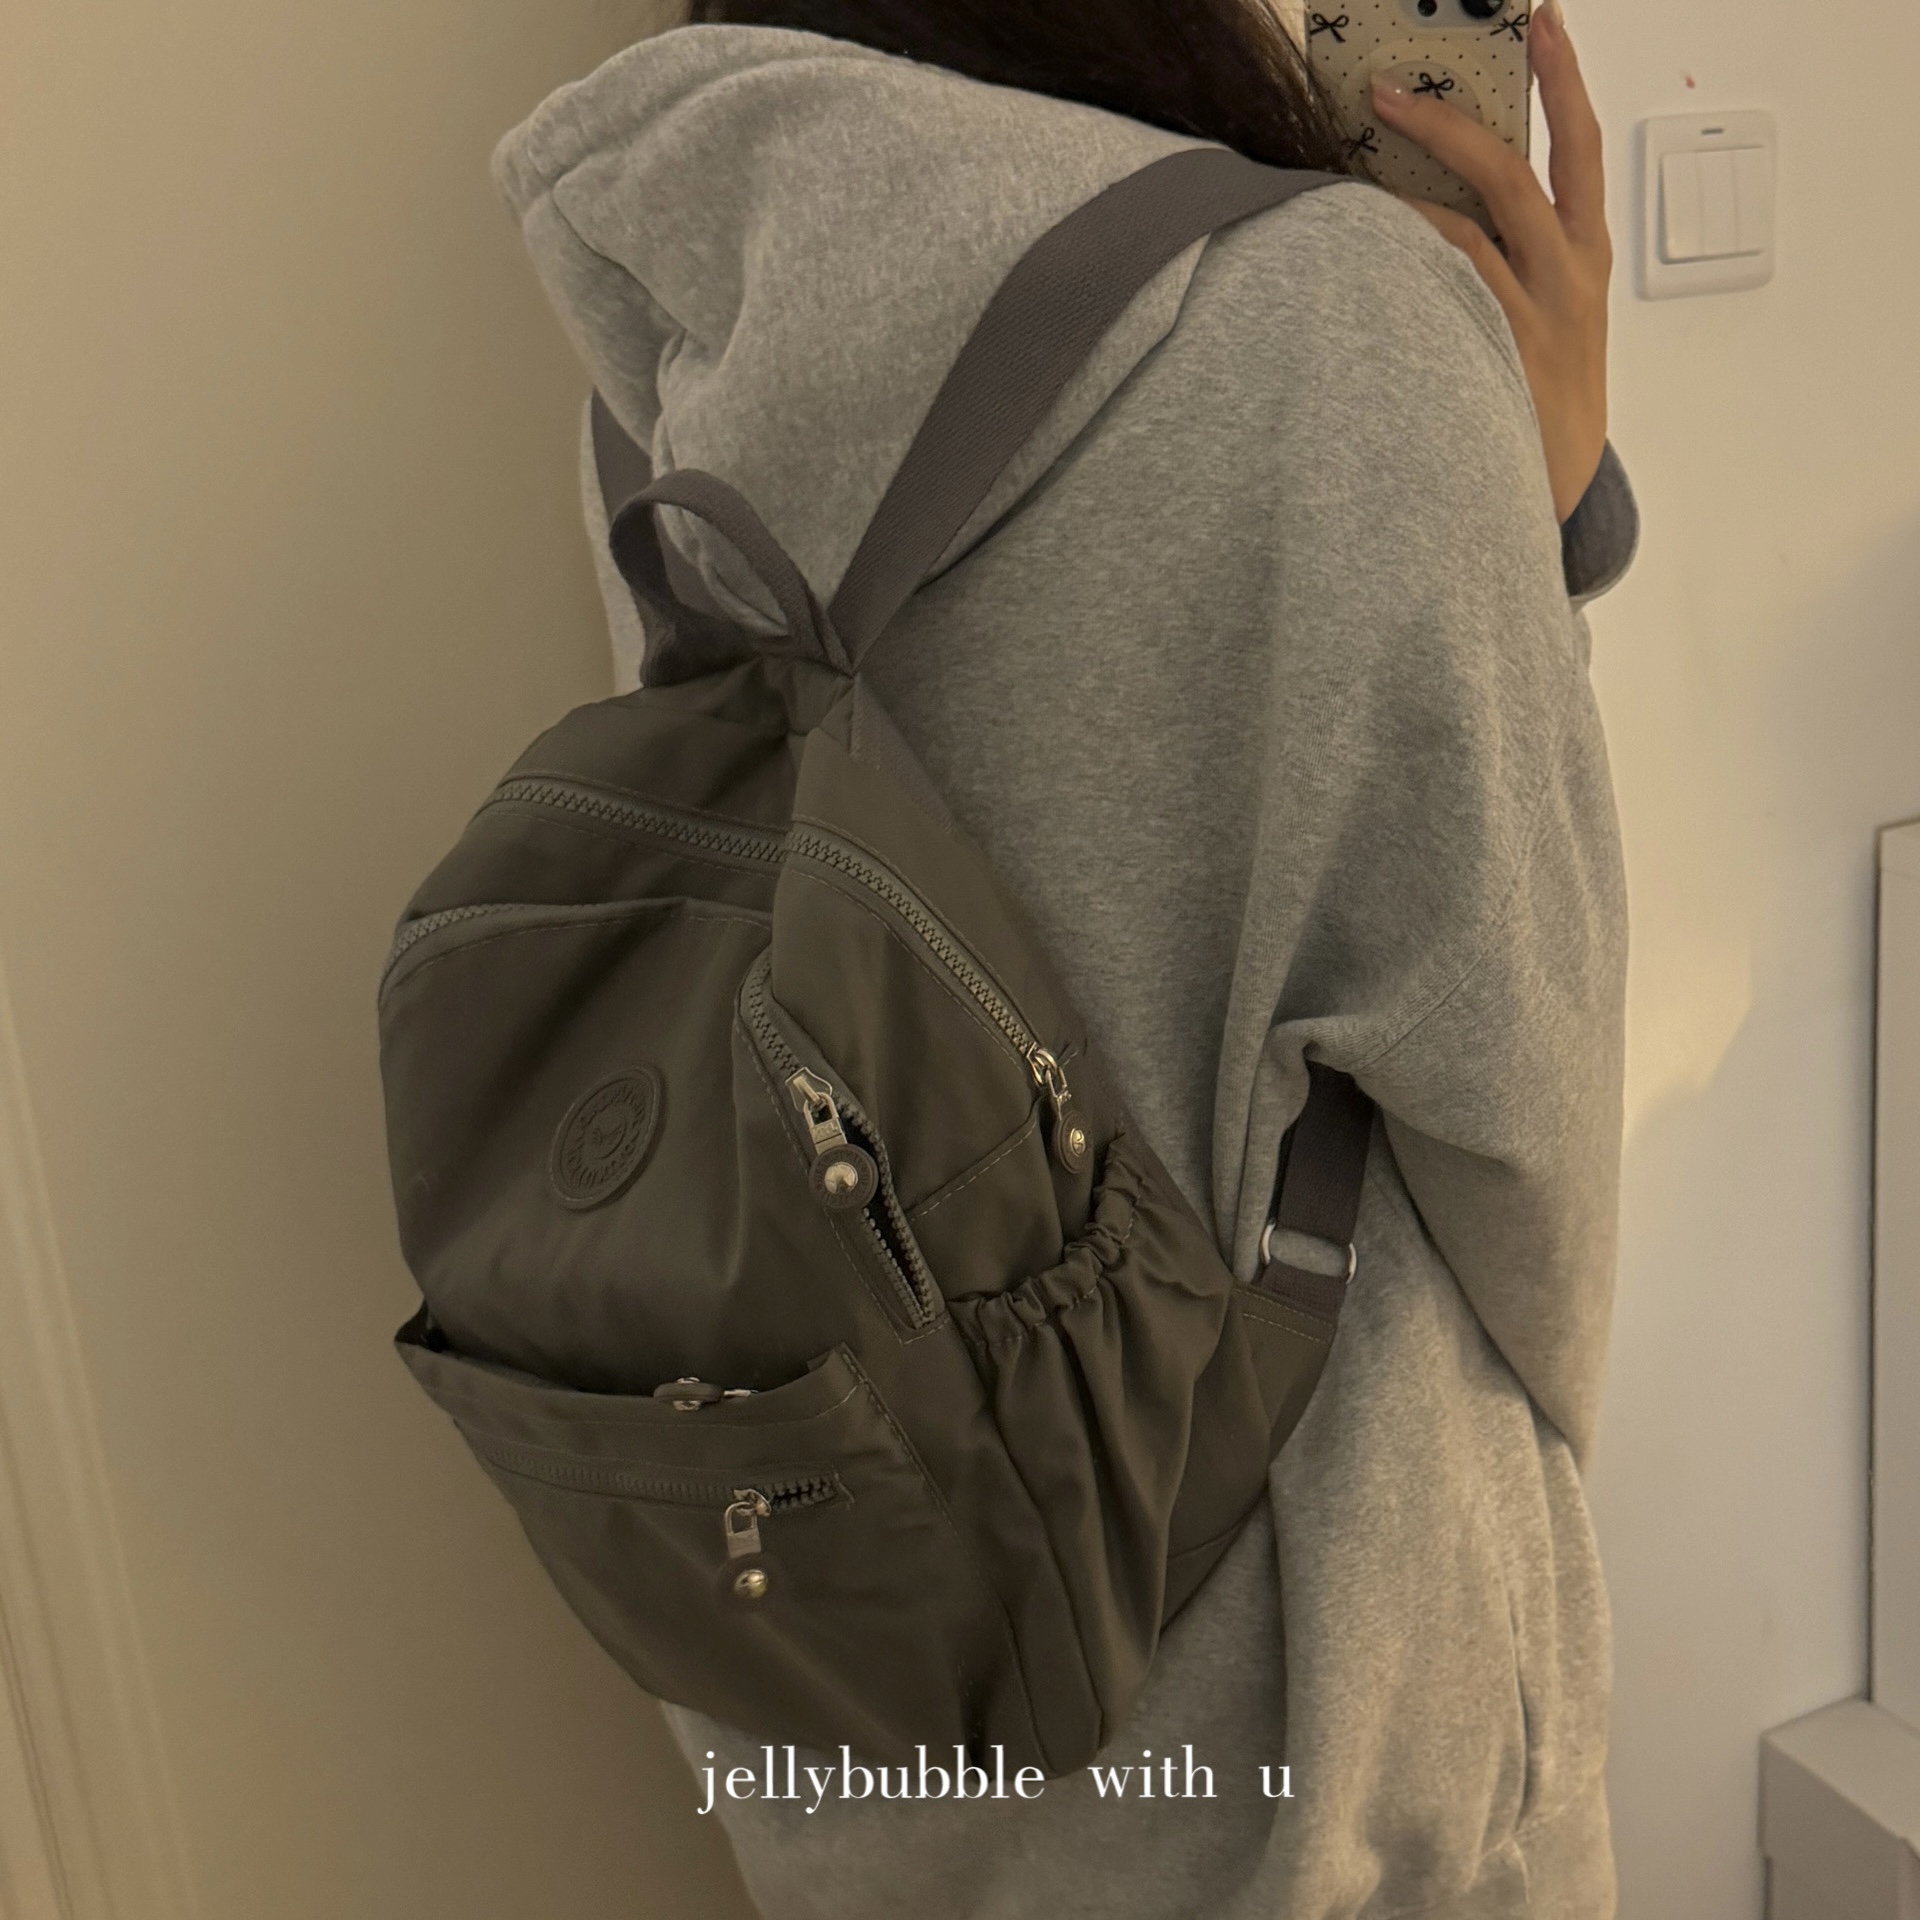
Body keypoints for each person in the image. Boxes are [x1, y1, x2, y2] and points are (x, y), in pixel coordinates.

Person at [493, 0, 1638, 1911]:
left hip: (843, 1671)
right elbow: (1525, 1110)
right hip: (1304, 1748)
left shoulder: (680, 334)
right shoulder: (1334, 315)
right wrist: (1552, 512)